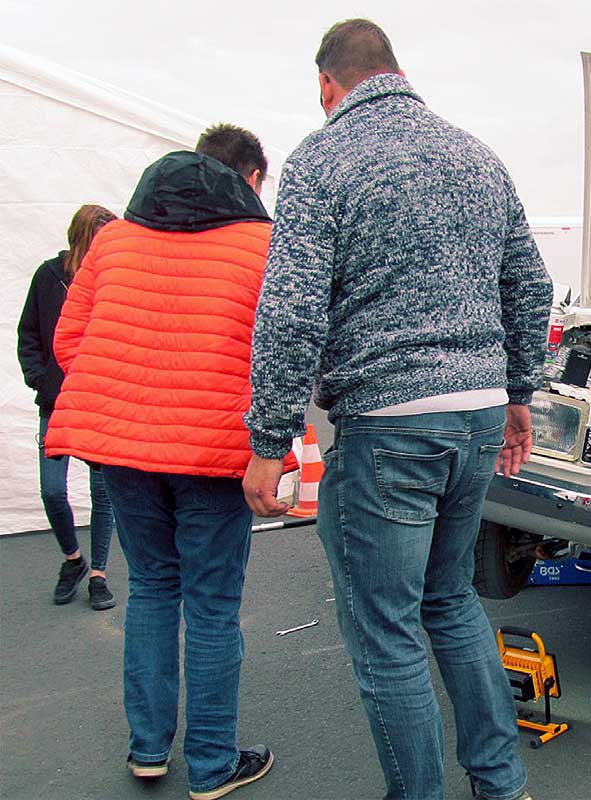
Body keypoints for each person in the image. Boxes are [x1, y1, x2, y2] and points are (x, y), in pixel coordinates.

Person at [241, 18, 552, 800]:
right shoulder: (477, 156)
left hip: (390, 423)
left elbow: (291, 308)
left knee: (385, 633)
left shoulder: (322, 158)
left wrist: (270, 436)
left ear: (327, 85)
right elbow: (531, 286)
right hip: (478, 415)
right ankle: (501, 784)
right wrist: (517, 393)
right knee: (449, 600)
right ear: (395, 69)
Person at [44, 124, 280, 800]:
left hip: (122, 449)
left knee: (151, 589)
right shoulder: (260, 244)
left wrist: (132, 390)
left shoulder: (114, 239)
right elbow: (280, 354)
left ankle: (148, 748)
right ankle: (211, 766)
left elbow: (69, 344)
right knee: (210, 607)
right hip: (211, 450)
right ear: (250, 181)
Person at [18, 205, 118, 610]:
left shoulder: (116, 278)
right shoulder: (49, 277)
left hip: (101, 403)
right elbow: (28, 333)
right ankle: (72, 560)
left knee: (102, 493)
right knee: (52, 490)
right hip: (57, 401)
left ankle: (99, 574)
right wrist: (40, 379)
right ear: (82, 239)